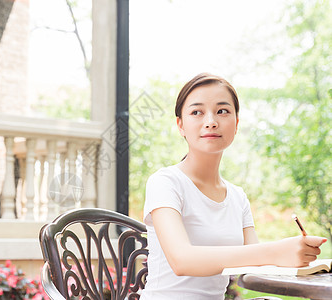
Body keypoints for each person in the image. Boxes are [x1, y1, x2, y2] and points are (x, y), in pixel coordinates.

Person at [140, 73, 327, 299]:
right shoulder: (165, 182)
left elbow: (254, 261)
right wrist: (276, 251)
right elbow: (182, 260)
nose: (210, 121)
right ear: (180, 125)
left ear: (236, 123)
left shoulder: (237, 197)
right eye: (196, 112)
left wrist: (297, 253)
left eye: (222, 111)